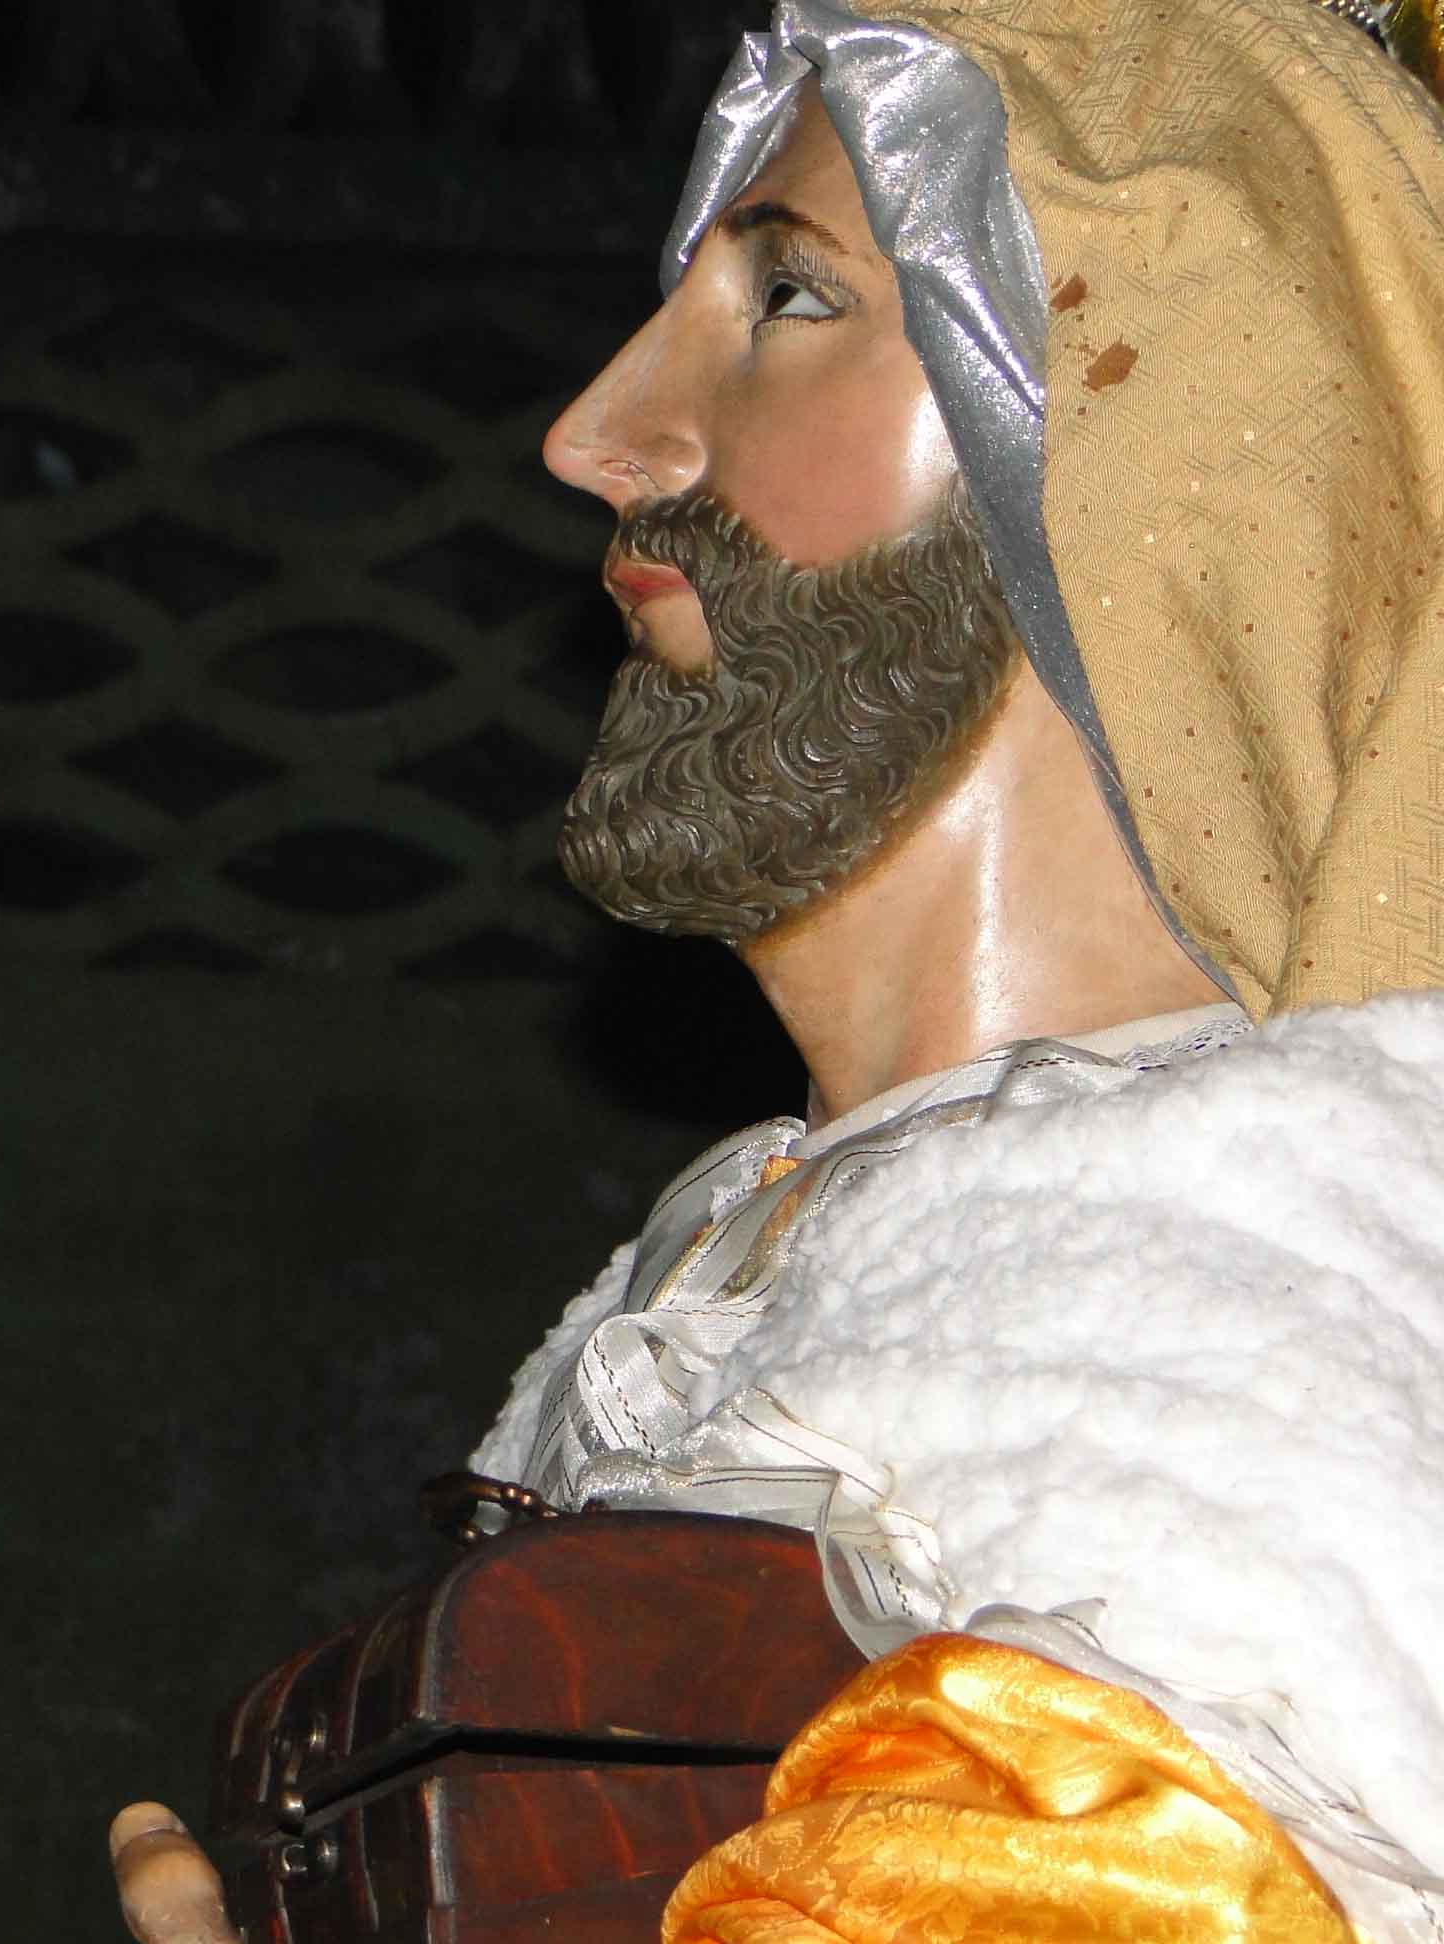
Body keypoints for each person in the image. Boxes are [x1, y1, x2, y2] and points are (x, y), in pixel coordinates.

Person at [112, 0, 1444, 1938]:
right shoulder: (756, 1268)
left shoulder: (1228, 1336)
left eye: (792, 298)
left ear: (1130, 449)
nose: (597, 436)